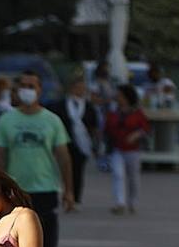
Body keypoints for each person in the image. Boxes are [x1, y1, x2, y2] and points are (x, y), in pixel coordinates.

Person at [0, 71, 74, 247]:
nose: (27, 89)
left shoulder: (52, 121)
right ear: (16, 91)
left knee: (45, 246)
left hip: (45, 190)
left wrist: (69, 191)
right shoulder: (7, 120)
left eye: (32, 85)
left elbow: (63, 157)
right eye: (23, 85)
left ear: (39, 90)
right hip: (14, 192)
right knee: (8, 245)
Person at [50, 77, 99, 207]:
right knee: (62, 170)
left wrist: (95, 143)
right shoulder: (61, 105)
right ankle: (64, 193)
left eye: (83, 88)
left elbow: (94, 126)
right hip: (64, 143)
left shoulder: (88, 106)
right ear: (72, 88)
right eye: (78, 87)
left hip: (82, 145)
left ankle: (75, 197)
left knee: (77, 172)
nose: (81, 90)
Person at [104, 85, 149, 215]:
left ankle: (133, 202)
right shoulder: (114, 112)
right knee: (118, 175)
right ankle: (120, 203)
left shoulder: (137, 112)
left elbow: (145, 128)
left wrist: (135, 135)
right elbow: (107, 128)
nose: (118, 98)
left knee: (133, 177)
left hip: (133, 150)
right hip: (117, 149)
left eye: (120, 96)